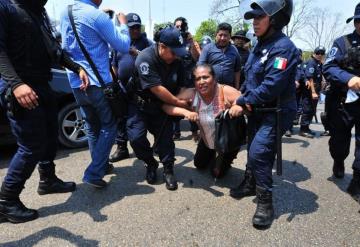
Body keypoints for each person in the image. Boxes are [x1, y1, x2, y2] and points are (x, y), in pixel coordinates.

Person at [0, 0, 89, 223]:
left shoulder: (38, 12)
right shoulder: (6, 6)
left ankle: (47, 180)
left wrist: (76, 67)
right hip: (20, 85)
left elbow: (54, 50)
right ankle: (6, 201)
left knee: (51, 135)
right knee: (31, 145)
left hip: (42, 83)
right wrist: (15, 84)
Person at [229, 0, 298, 228]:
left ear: (275, 19)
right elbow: (251, 79)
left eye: (260, 17)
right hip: (258, 108)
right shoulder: (259, 46)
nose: (255, 23)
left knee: (260, 151)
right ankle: (250, 182)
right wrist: (244, 96)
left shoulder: (283, 47)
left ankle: (265, 202)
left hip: (277, 110)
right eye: (253, 18)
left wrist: (242, 101)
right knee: (253, 148)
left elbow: (271, 85)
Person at [60, 0, 130, 188]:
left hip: (75, 82)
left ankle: (101, 165)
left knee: (91, 126)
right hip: (96, 83)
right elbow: (123, 45)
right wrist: (122, 23)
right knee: (110, 126)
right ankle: (94, 171)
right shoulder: (96, 15)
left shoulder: (65, 12)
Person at [126, 26, 188, 191]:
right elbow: (157, 89)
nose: (177, 56)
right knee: (136, 139)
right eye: (174, 52)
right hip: (140, 104)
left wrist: (184, 99)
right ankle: (150, 163)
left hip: (162, 107)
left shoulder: (178, 61)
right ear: (162, 46)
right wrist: (178, 103)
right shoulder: (145, 58)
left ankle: (168, 169)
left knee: (166, 140)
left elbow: (182, 86)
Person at [163, 64, 244, 178]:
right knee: (199, 164)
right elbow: (166, 106)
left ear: (214, 78)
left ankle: (227, 157)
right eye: (197, 79)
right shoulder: (192, 93)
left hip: (227, 142)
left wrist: (237, 106)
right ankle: (212, 153)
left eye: (205, 77)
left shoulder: (225, 91)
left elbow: (246, 102)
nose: (201, 82)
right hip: (207, 140)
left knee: (217, 174)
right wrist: (186, 112)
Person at [322, 2, 360, 204]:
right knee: (339, 143)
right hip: (342, 101)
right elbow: (328, 68)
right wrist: (348, 79)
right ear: (355, 22)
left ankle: (357, 179)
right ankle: (338, 160)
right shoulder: (342, 43)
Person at [109, 13, 153, 163]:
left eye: (137, 27)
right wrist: (113, 83)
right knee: (120, 118)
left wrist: (137, 53)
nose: (135, 30)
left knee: (139, 121)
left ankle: (149, 146)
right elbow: (114, 65)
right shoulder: (119, 43)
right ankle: (122, 148)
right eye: (131, 27)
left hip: (140, 90)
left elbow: (154, 62)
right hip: (121, 88)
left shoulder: (147, 43)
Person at [172, 17, 201, 141]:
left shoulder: (191, 42)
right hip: (175, 79)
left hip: (189, 80)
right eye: (177, 27)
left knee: (193, 105)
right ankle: (175, 132)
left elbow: (197, 57)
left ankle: (195, 131)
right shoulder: (172, 41)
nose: (179, 29)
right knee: (175, 103)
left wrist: (191, 41)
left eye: (181, 27)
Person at [198, 23, 241, 89]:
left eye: (225, 35)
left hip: (229, 88)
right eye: (220, 35)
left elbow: (237, 70)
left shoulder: (234, 50)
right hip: (211, 88)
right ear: (216, 35)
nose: (222, 38)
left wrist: (237, 88)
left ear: (230, 36)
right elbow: (200, 68)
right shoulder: (207, 49)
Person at [299, 46, 326, 138]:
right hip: (310, 91)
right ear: (314, 53)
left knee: (312, 110)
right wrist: (313, 92)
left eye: (322, 53)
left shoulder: (319, 63)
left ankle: (307, 127)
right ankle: (303, 129)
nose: (320, 55)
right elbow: (310, 78)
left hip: (316, 90)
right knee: (307, 109)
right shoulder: (312, 62)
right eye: (318, 53)